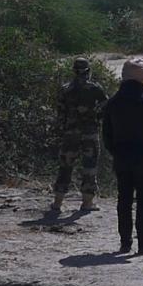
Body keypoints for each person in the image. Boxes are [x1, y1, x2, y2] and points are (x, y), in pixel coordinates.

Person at [102, 58, 143, 255]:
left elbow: (106, 133)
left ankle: (125, 243)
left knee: (123, 199)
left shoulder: (114, 100)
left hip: (121, 156)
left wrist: (115, 151)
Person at [50, 58, 108, 213]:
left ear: (74, 71)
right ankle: (87, 203)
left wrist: (62, 129)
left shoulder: (65, 89)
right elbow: (105, 107)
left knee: (65, 166)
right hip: (90, 133)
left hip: (70, 133)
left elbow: (60, 113)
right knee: (90, 167)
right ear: (88, 71)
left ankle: (57, 203)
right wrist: (96, 118)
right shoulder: (95, 88)